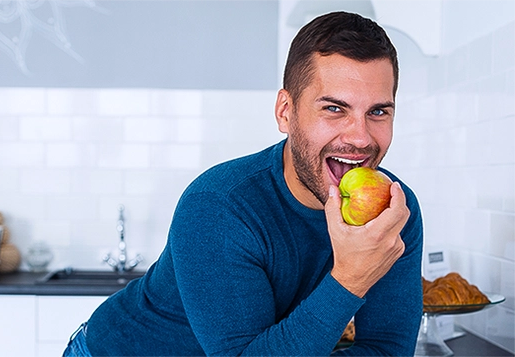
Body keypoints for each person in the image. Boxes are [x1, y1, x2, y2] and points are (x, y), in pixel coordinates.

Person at [63, 11, 423, 357]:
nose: (360, 138)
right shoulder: (219, 206)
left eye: (378, 111)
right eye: (333, 108)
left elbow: (388, 348)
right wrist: (351, 278)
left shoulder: (394, 210)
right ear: (286, 112)